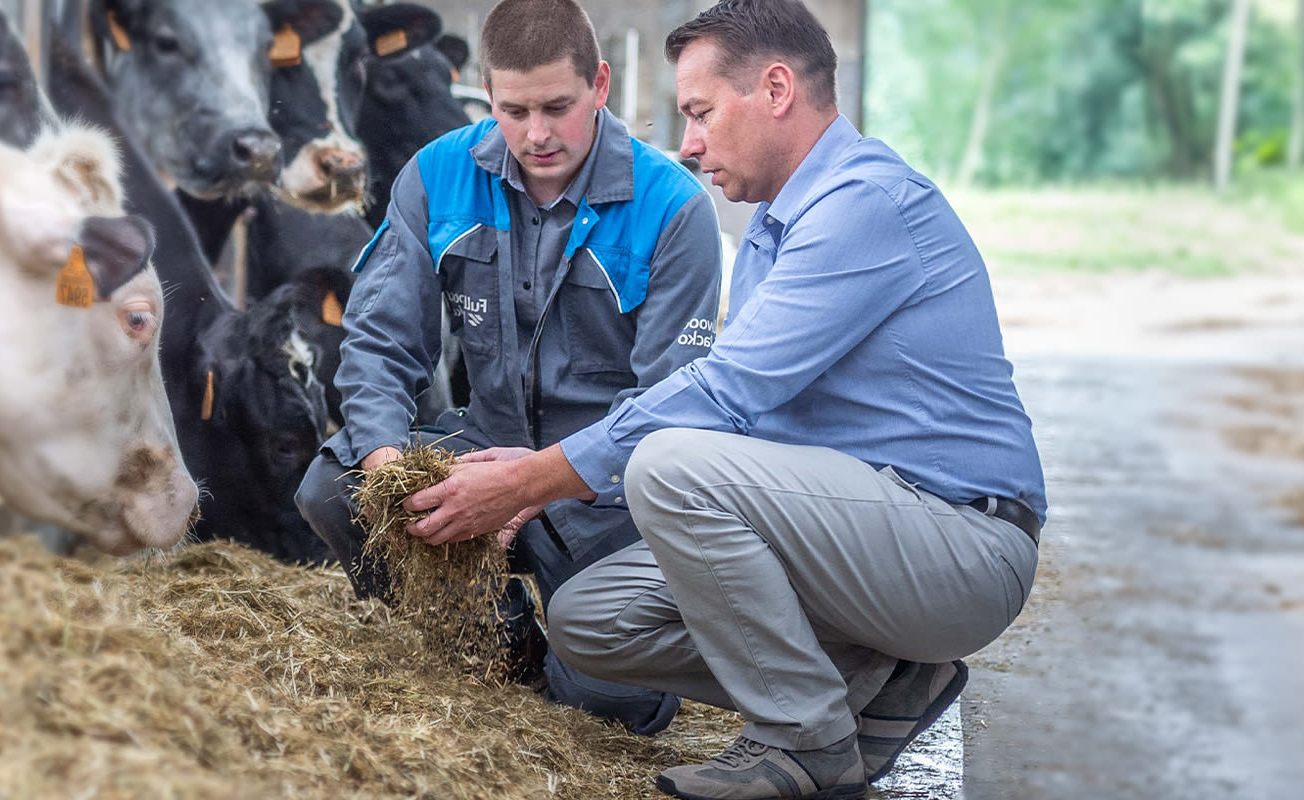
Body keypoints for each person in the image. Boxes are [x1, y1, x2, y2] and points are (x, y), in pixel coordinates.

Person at [394, 0, 1048, 797]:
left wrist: (532, 482)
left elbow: (726, 397)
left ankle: (802, 741)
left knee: (671, 464)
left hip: (958, 547)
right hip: (855, 540)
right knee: (589, 620)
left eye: (700, 112)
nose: (689, 142)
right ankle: (882, 682)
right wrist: (546, 473)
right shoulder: (779, 228)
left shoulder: (862, 204)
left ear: (776, 89)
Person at [291, 0, 726, 737]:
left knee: (606, 709)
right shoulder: (437, 175)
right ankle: (499, 641)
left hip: (606, 493)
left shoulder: (674, 210)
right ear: (486, 93)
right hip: (485, 441)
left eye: (558, 106)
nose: (536, 134)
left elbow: (670, 412)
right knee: (335, 490)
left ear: (600, 84)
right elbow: (375, 341)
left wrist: (534, 482)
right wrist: (391, 467)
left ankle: (595, 666)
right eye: (513, 109)